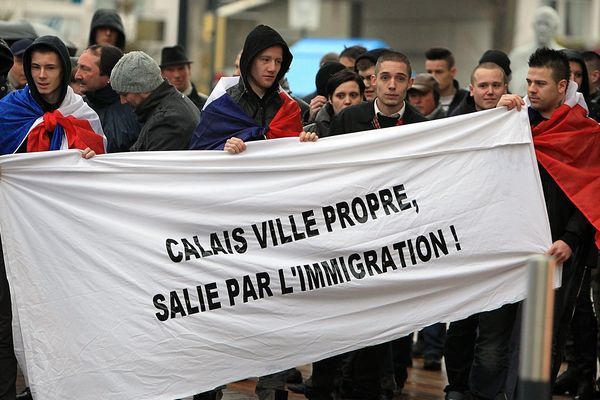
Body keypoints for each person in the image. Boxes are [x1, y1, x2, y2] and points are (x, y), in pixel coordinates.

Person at [0, 36, 105, 400]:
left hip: (59, 241)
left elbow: (100, 183)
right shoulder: (8, 110)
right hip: (10, 236)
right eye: (35, 68)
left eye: (50, 68)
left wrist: (92, 161)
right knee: (5, 322)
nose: (42, 76)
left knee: (56, 318)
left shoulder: (83, 115)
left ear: (64, 70)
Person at [498, 47, 600, 397]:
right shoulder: (512, 121)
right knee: (505, 331)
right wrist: (493, 118)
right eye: (528, 81)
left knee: (547, 335)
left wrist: (571, 239)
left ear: (562, 86)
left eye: (540, 83)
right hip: (512, 245)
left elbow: (592, 190)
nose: (531, 89)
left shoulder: (585, 133)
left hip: (558, 249)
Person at [329, 51, 427, 400]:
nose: (391, 84)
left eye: (399, 78)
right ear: (373, 80)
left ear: (410, 83)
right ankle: (342, 384)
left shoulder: (423, 126)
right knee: (351, 316)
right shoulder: (349, 118)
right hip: (354, 236)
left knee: (394, 318)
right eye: (384, 77)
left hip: (400, 238)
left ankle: (391, 383)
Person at [190, 24, 315, 156]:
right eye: (265, 60)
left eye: (278, 61)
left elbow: (295, 158)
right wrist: (223, 149)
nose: (273, 68)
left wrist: (306, 146)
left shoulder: (289, 108)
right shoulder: (221, 105)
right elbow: (198, 157)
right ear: (249, 61)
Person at [110, 51, 198, 151]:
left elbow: (151, 165)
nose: (123, 101)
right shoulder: (169, 107)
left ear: (142, 88)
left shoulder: (167, 120)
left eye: (125, 94)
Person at [75, 44, 141, 153]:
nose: (77, 75)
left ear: (110, 76)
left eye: (85, 69)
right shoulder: (77, 107)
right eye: (78, 67)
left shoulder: (135, 112)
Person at [509, 6, 563, 95]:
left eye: (547, 24)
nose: (542, 29)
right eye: (539, 23)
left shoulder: (564, 55)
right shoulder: (517, 55)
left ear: (555, 27)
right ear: (533, 25)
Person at [304, 68, 365, 137]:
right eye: (340, 96)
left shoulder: (376, 125)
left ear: (361, 97)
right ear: (330, 99)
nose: (347, 101)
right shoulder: (310, 133)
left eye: (353, 95)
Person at [160, 45, 208, 111]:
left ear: (189, 69)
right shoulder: (155, 105)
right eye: (170, 70)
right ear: (162, 73)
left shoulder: (206, 105)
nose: (177, 75)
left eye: (181, 69)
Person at [425, 47, 468, 115]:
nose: (433, 76)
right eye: (429, 72)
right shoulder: (419, 101)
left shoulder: (468, 100)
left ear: (453, 72)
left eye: (439, 72)